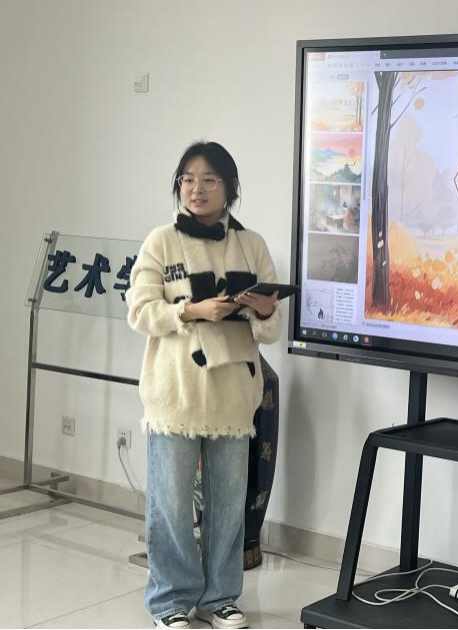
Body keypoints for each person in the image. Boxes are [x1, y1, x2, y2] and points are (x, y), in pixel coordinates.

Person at [127, 141, 281, 629]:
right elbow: (140, 311)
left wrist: (263, 309)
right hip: (175, 395)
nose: (197, 188)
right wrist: (191, 311)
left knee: (228, 507)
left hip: (233, 398)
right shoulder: (161, 241)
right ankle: (170, 601)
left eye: (210, 179)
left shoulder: (251, 244)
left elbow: (272, 329)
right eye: (188, 179)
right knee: (171, 506)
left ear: (229, 188)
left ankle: (220, 598)